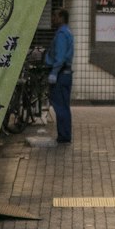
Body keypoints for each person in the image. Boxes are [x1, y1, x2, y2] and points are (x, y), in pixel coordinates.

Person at [45, 8, 74, 144]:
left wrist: (54, 73)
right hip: (66, 73)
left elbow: (60, 56)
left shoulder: (62, 34)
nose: (52, 18)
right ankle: (65, 134)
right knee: (64, 105)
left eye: (55, 16)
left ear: (62, 18)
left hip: (61, 74)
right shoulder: (67, 32)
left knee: (60, 106)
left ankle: (64, 135)